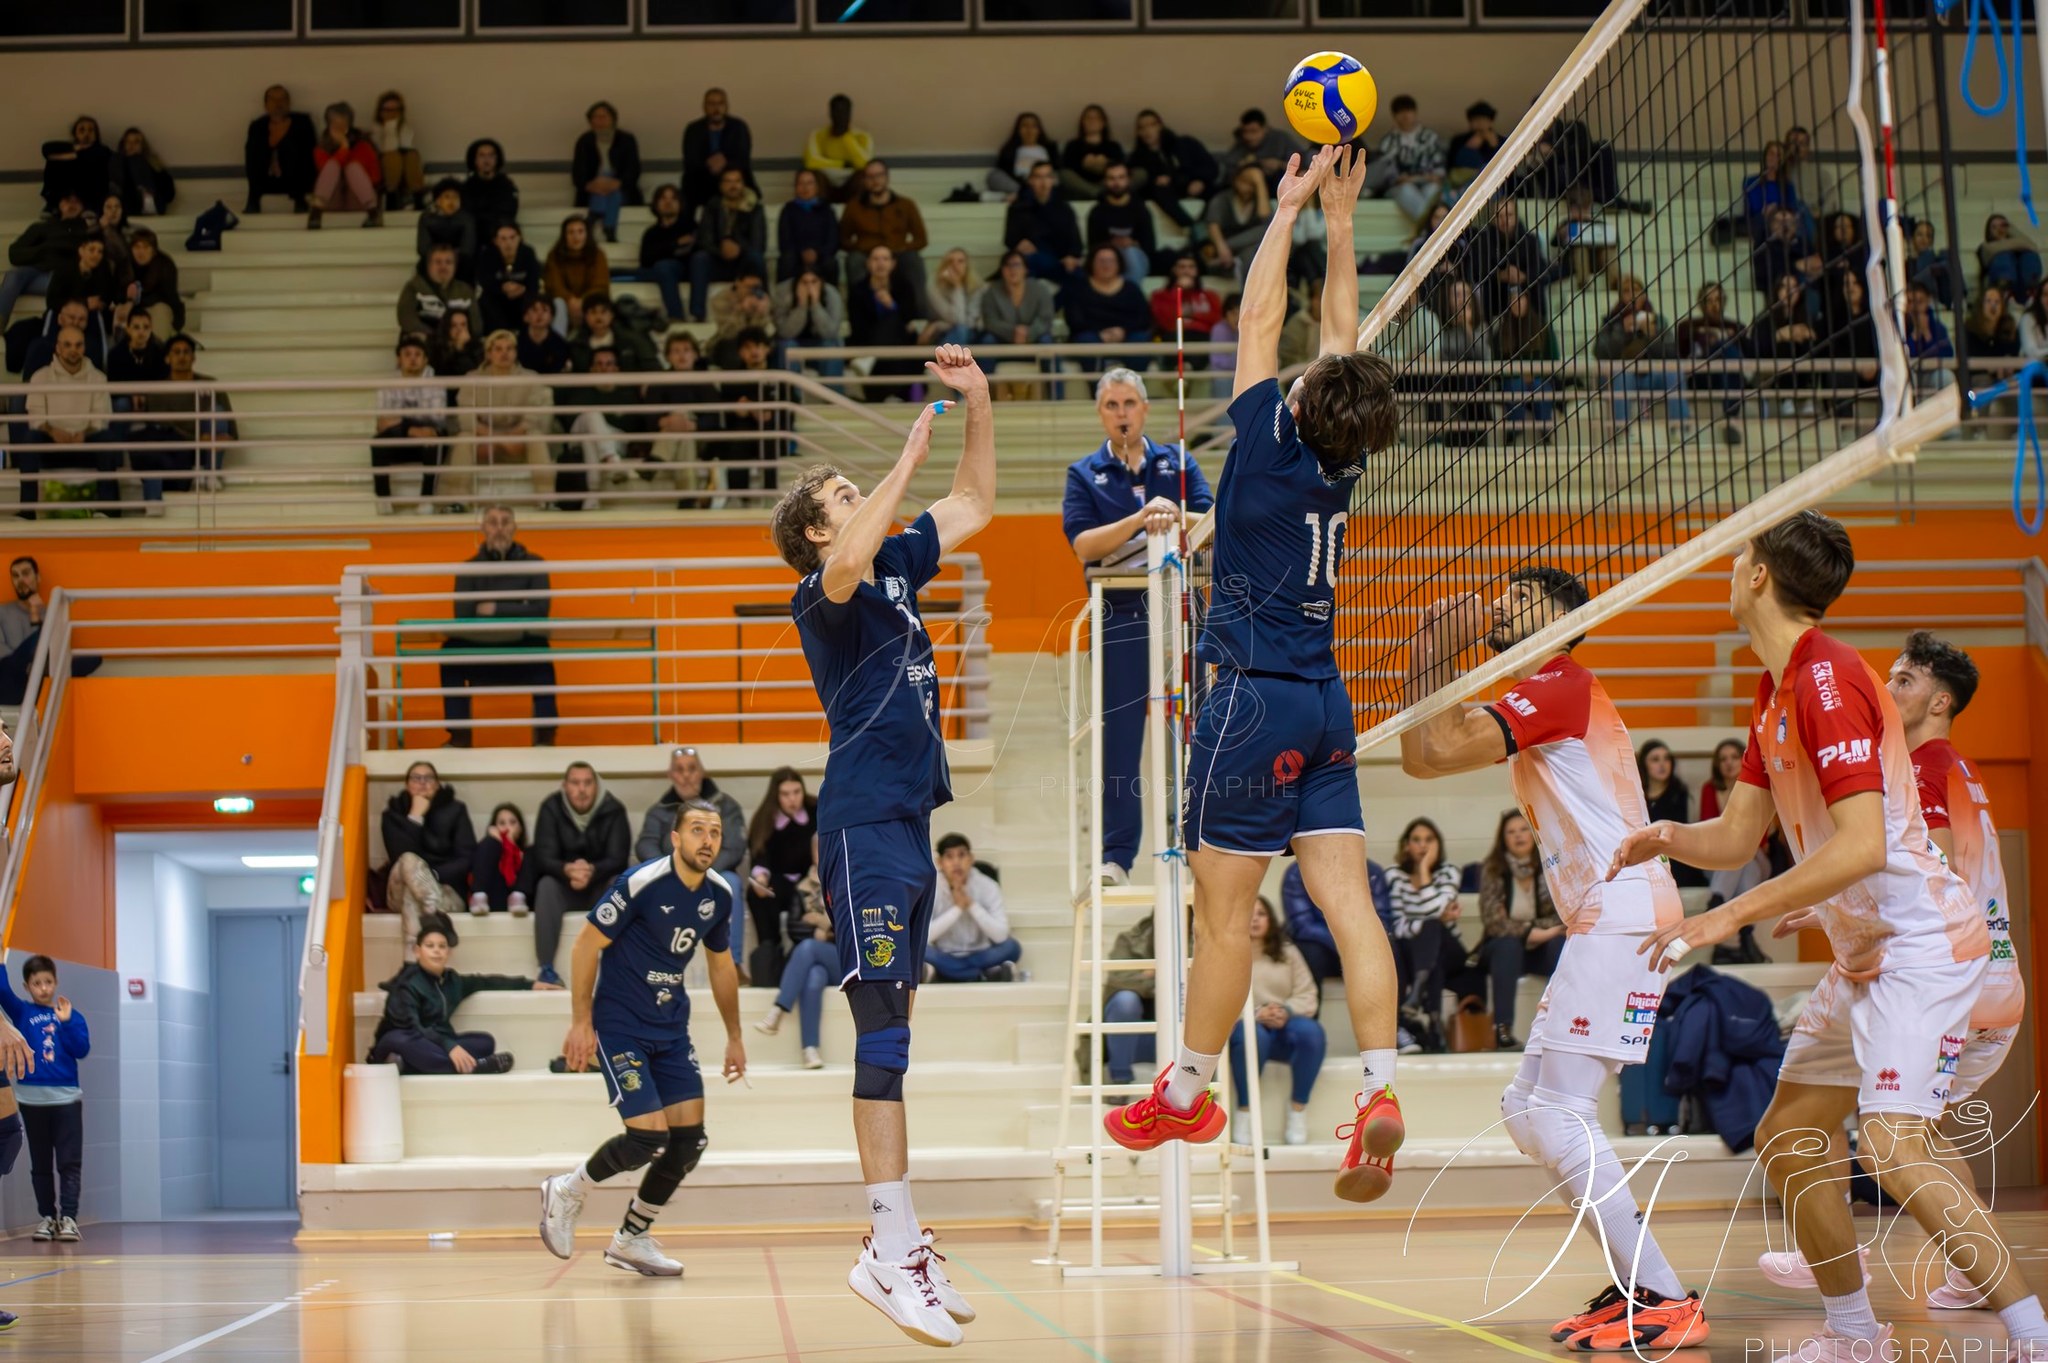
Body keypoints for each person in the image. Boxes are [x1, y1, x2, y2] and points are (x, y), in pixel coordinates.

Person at [1610, 510, 2048, 1362]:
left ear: (1759, 577)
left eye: (1741, 555)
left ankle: (2033, 1334)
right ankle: (1855, 1335)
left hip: (1920, 946)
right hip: (1867, 949)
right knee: (1786, 1134)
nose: (1732, 566)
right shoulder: (1774, 688)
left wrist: (1727, 914)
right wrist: (1667, 834)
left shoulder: (1828, 677)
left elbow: (1863, 844)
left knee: (1890, 1145)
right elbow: (1736, 838)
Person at [1103, 147, 1408, 1209]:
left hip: (1246, 698)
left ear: (1308, 400)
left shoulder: (1272, 437)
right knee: (1347, 906)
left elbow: (1263, 321)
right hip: (1326, 702)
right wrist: (1344, 218)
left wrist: (1285, 213)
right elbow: (1339, 338)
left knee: (1223, 916)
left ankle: (1184, 1089)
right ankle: (1376, 1086)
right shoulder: (1342, 450)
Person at [1401, 566, 1709, 1350]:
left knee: (1561, 1112)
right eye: (1498, 594)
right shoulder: (1535, 695)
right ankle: (1642, 1285)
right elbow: (1421, 756)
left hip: (1626, 912)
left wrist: (1441, 647)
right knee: (1525, 1109)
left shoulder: (1563, 684)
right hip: (1609, 915)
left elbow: (1436, 745)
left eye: (1520, 599)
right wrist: (1426, 649)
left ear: (1569, 620)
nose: (1501, 603)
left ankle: (1666, 1296)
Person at [772, 343, 991, 1347]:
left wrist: (978, 400)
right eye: (846, 494)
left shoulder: (899, 561)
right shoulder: (825, 589)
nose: (867, 500)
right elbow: (855, 553)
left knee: (898, 1040)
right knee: (883, 1040)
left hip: (908, 819)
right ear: (818, 526)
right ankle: (885, 1250)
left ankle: (896, 1241)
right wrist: (899, 463)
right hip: (860, 823)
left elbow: (976, 502)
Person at [1759, 634, 2027, 1308]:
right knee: (1914, 1132)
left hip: (1946, 970)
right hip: (1988, 973)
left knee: (1892, 1136)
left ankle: (2000, 1304)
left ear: (1940, 702)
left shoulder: (1927, 763)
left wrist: (1822, 905)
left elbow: (1926, 865)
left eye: (1904, 680)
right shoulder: (1953, 764)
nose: (1889, 686)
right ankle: (1964, 1272)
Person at [539, 800, 744, 1276]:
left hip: (670, 1026)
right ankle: (568, 1190)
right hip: (621, 1022)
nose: (707, 840)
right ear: (675, 838)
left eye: (714, 831)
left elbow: (720, 965)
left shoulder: (720, 893)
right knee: (646, 1135)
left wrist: (735, 1036)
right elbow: (586, 944)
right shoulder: (640, 883)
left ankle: (632, 1238)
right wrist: (580, 1020)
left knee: (689, 1140)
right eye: (696, 830)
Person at [1061, 367, 1212, 882]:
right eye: (1111, 405)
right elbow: (1084, 545)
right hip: (1120, 611)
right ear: (1101, 413)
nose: (1122, 413)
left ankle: (1194, 842)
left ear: (1145, 409)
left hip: (1180, 607)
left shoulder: (1179, 461)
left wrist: (1173, 512)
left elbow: (1215, 524)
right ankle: (1117, 857)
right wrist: (1141, 518)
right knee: (1120, 739)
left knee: (1191, 732)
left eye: (1129, 403)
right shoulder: (1083, 473)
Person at [369, 914, 555, 1074]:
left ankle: (413, 1066)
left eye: (442, 946)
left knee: (485, 1042)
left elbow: (485, 982)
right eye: (430, 945)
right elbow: (413, 1028)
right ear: (418, 951)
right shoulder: (407, 984)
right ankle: (474, 1068)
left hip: (433, 1045)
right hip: (404, 1040)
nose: (436, 951)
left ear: (448, 953)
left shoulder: (452, 981)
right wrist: (450, 1047)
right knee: (400, 1040)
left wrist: (530, 984)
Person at [440, 505, 555, 746]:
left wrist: (493, 607)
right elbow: (464, 615)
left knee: (542, 650)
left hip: (522, 653)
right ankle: (459, 737)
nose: (499, 528)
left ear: (515, 528)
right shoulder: (468, 569)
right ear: (483, 528)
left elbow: (540, 611)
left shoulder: (536, 563)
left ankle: (545, 739)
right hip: (481, 655)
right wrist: (519, 606)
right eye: (493, 522)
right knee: (449, 652)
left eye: (505, 522)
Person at [0, 955, 89, 1242]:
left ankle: (69, 1219)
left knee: (69, 1161)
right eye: (36, 983)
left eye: (48, 982)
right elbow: (2, 992)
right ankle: (47, 1218)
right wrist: (1, 960)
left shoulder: (69, 1015)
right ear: (27, 986)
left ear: (56, 982)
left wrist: (66, 1023)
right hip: (31, 1100)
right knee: (40, 1163)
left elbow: (81, 1049)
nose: (43, 988)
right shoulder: (23, 1012)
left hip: (66, 1100)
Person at [1224, 897, 1324, 1147]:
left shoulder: (1288, 952)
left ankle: (1298, 1111)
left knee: (1312, 1033)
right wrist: (1254, 1014)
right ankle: (1244, 1112)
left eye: (1261, 914)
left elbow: (1308, 994)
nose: (1255, 919)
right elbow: (1214, 1002)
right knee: (1252, 1034)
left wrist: (1286, 1010)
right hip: (1245, 1028)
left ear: (1271, 919)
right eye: (1249, 913)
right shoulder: (1224, 953)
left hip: (1284, 1025)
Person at [532, 763, 633, 987]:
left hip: (599, 885)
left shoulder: (613, 809)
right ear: (565, 786)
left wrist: (591, 871)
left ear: (596, 786)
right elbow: (542, 856)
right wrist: (566, 870)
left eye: (587, 783)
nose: (582, 789)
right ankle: (546, 968)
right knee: (546, 885)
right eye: (575, 783)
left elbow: (618, 858)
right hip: (563, 886)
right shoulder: (551, 807)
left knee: (618, 884)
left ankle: (617, 967)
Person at [1473, 810, 1562, 1051]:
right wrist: (1527, 933)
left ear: (1533, 834)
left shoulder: (1550, 865)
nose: (1518, 836)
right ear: (1503, 839)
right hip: (1503, 950)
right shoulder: (1492, 870)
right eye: (1511, 832)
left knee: (1561, 946)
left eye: (1523, 830)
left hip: (1542, 947)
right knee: (1507, 946)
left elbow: (1561, 914)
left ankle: (1561, 1027)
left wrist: (1539, 933)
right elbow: (1493, 921)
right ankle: (1503, 1031)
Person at [20, 325, 122, 515]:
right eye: (67, 345)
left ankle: (109, 512)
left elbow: (101, 420)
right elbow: (36, 418)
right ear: (58, 348)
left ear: (84, 347)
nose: (73, 350)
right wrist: (52, 432)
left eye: (78, 345)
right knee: (30, 439)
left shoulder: (98, 378)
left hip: (85, 444)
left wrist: (84, 434)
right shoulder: (40, 377)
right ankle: (26, 512)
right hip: (52, 445)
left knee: (107, 439)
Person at [1383, 817, 1465, 1045]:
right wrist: (1433, 920)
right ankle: (1435, 1026)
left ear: (1438, 843)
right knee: (1431, 955)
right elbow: (1397, 926)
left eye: (1429, 840)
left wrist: (1424, 870)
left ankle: (1418, 992)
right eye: (1416, 840)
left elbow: (1434, 908)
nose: (1423, 846)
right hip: (1416, 954)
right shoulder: (1394, 876)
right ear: (1406, 845)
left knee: (1433, 929)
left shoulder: (1449, 872)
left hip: (1452, 950)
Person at [378, 761, 475, 944]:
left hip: (446, 891)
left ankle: (412, 964)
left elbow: (467, 857)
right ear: (407, 785)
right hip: (399, 886)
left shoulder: (455, 810)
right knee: (407, 860)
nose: (422, 782)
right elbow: (399, 855)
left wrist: (432, 876)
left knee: (412, 897)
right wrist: (415, 817)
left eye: (428, 778)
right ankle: (434, 913)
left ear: (437, 784)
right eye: (416, 778)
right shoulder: (392, 815)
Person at [453, 332, 551, 505]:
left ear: (515, 352)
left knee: (536, 436)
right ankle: (458, 501)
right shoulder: (472, 379)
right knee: (464, 438)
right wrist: (499, 439)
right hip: (484, 445)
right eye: (498, 349)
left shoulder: (531, 379)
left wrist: (510, 439)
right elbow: (466, 419)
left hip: (518, 445)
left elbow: (535, 417)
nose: (504, 353)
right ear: (488, 354)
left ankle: (546, 499)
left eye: (509, 349)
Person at [742, 767, 818, 985]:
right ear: (776, 795)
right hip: (780, 882)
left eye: (796, 792)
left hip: (812, 881)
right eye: (786, 794)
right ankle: (770, 949)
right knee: (757, 894)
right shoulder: (764, 820)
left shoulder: (816, 810)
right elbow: (760, 856)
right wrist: (761, 879)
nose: (792, 799)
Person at [754, 862, 832, 1070]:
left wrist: (817, 921)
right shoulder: (802, 888)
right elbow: (794, 926)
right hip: (817, 958)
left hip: (844, 957)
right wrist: (819, 929)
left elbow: (847, 923)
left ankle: (778, 1010)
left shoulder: (843, 881)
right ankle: (810, 1049)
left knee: (807, 948)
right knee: (814, 977)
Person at [633, 745, 748, 884]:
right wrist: (669, 871)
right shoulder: (658, 811)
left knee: (732, 882)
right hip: (668, 876)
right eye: (679, 770)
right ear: (670, 775)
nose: (686, 776)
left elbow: (733, 849)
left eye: (692, 769)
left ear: (702, 773)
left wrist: (701, 872)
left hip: (714, 875)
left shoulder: (727, 807)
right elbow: (646, 845)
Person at [925, 833, 1020, 983]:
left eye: (961, 855)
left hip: (981, 954)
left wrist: (970, 905)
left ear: (971, 859)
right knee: (916, 950)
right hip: (944, 954)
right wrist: (957, 909)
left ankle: (945, 974)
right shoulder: (930, 888)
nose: (956, 862)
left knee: (1012, 947)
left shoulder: (988, 886)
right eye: (949, 857)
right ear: (940, 862)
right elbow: (924, 936)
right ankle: (983, 974)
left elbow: (1001, 935)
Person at [373, 334, 451, 514]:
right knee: (378, 442)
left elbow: (437, 419)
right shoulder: (387, 384)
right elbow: (383, 423)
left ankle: (427, 499)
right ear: (399, 359)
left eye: (417, 354)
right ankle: (383, 499)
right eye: (407, 354)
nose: (413, 359)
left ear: (425, 360)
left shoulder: (436, 384)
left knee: (435, 439)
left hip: (423, 440)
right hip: (402, 438)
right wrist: (412, 427)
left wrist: (401, 422)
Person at [838, 161, 929, 302]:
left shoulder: (906, 204)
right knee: (854, 260)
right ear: (864, 180)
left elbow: (921, 239)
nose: (875, 180)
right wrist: (862, 248)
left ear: (887, 177)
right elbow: (843, 238)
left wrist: (902, 248)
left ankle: (917, 316)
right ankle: (859, 313)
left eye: (879, 175)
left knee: (913, 260)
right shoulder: (853, 207)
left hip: (897, 252)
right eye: (870, 176)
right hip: (867, 254)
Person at [847, 247, 924, 403]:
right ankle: (901, 395)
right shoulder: (858, 290)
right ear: (868, 264)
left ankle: (874, 375)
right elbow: (857, 325)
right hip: (867, 340)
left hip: (900, 342)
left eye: (885, 259)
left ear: (893, 264)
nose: (880, 263)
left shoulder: (904, 286)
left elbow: (911, 318)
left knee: (894, 324)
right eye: (875, 259)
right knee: (890, 330)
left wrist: (892, 306)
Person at [691, 168, 768, 324]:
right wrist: (721, 250)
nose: (733, 185)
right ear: (721, 186)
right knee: (699, 258)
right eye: (728, 181)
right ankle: (698, 314)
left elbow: (758, 243)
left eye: (737, 181)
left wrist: (737, 248)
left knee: (756, 258)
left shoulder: (755, 208)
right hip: (719, 260)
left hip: (743, 263)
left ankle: (762, 309)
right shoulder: (712, 207)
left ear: (743, 184)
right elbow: (704, 240)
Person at [2, 192, 90, 328]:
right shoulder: (41, 227)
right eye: (67, 201)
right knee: (13, 276)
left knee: (17, 283)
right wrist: (43, 251)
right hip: (34, 274)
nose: (71, 205)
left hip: (61, 279)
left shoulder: (86, 231)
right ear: (60, 204)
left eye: (76, 202)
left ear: (83, 207)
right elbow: (14, 254)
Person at [1063, 246, 1152, 374]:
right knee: (1087, 340)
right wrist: (1101, 333)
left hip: (1127, 335)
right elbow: (1074, 320)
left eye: (1111, 261)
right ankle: (1097, 391)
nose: (1106, 265)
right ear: (1092, 263)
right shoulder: (1078, 288)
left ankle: (1133, 389)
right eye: (1101, 261)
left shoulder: (1131, 288)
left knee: (1140, 339)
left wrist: (1122, 331)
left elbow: (1143, 318)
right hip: (1093, 336)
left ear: (1119, 264)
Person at [1128, 108, 1217, 231]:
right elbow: (1141, 184)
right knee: (1158, 190)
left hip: (1193, 183)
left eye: (1151, 125)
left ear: (1160, 126)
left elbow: (1211, 167)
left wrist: (1200, 180)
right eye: (1141, 127)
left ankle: (1209, 226)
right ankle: (1192, 227)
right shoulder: (1137, 158)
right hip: (1167, 192)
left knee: (1218, 190)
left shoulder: (1185, 144)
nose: (1147, 131)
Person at [571, 101, 641, 243]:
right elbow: (578, 173)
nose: (600, 120)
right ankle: (609, 228)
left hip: (621, 187)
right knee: (607, 190)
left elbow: (633, 169)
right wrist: (591, 185)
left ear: (613, 119)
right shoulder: (584, 141)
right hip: (593, 188)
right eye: (596, 117)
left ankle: (594, 217)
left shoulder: (626, 140)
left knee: (614, 191)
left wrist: (617, 183)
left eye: (604, 116)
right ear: (590, 121)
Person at [1004, 162, 1085, 284]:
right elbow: (1009, 239)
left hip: (1059, 259)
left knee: (1079, 275)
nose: (1043, 182)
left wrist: (1071, 256)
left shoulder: (1064, 208)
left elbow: (1075, 241)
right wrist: (1018, 243)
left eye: (1047, 176)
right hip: (1030, 258)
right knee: (1023, 263)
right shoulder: (1018, 208)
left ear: (1053, 180)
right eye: (1038, 177)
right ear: (1030, 180)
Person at [308, 102, 383, 230]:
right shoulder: (321, 148)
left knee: (352, 167)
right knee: (332, 166)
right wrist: (343, 148)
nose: (339, 128)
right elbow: (324, 173)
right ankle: (315, 214)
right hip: (331, 200)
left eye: (343, 124)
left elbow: (376, 178)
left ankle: (374, 214)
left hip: (359, 200)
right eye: (335, 124)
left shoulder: (363, 145)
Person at [1373, 95, 1446, 223]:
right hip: (1400, 188)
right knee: (1406, 190)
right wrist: (1401, 179)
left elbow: (1439, 171)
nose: (1405, 115)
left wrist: (1417, 178)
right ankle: (1431, 228)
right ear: (1394, 116)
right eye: (1400, 112)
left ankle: (1427, 230)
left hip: (1427, 183)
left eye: (1409, 111)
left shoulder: (1429, 137)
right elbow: (1386, 174)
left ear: (1415, 113)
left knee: (1432, 189)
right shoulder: (1389, 141)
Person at [244, 85, 316, 213]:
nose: (278, 104)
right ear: (265, 104)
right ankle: (253, 199)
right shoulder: (257, 126)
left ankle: (300, 200)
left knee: (292, 147)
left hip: (296, 180)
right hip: (267, 179)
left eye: (283, 99)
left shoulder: (302, 122)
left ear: (289, 103)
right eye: (273, 100)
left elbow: (310, 155)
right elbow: (252, 158)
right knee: (253, 148)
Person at [682, 88, 755, 212]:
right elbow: (690, 161)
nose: (716, 108)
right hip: (701, 183)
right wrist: (709, 163)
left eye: (721, 103)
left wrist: (725, 163)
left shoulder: (738, 127)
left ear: (727, 106)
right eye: (711, 104)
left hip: (734, 183)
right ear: (704, 107)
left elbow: (743, 158)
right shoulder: (693, 129)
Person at [1085, 163, 1158, 285]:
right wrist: (1112, 245)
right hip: (1109, 258)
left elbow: (1150, 245)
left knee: (1130, 253)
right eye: (1112, 178)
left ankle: (1129, 295)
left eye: (1121, 178)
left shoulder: (1140, 209)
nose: (1116, 183)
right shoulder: (1097, 212)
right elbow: (1093, 247)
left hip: (1137, 258)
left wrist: (1132, 243)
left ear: (1128, 180)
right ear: (1105, 181)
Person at [1201, 164, 1273, 281]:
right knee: (1264, 233)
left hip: (1248, 248)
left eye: (1252, 183)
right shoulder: (1222, 199)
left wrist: (1259, 182)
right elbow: (1213, 225)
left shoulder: (1258, 201)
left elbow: (1265, 217)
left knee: (1263, 237)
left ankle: (1247, 296)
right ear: (1236, 179)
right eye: (1245, 180)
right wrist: (1221, 247)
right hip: (1222, 248)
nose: (1247, 186)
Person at [640, 184, 697, 323]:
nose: (668, 202)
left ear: (680, 203)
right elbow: (646, 259)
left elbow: (691, 254)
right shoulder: (651, 233)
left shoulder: (690, 226)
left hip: (686, 271)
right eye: (663, 198)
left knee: (664, 266)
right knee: (659, 267)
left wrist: (662, 251)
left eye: (673, 198)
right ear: (656, 204)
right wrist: (675, 245)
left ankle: (676, 316)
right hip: (660, 270)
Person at [544, 216, 609, 337]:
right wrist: (570, 300)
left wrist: (582, 301)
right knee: (558, 303)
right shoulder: (554, 255)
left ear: (587, 234)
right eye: (571, 232)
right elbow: (554, 284)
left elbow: (600, 284)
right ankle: (560, 344)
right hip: (564, 302)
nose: (576, 237)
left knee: (597, 305)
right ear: (564, 236)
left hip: (590, 300)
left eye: (580, 231)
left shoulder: (598, 255)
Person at [803, 94, 873, 202]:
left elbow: (867, 164)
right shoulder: (817, 135)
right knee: (814, 175)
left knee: (862, 176)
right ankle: (819, 214)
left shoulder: (862, 136)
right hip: (826, 184)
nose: (840, 116)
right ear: (830, 113)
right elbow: (811, 162)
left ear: (850, 114)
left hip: (851, 184)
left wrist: (846, 138)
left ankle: (855, 213)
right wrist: (842, 164)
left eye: (844, 112)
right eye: (836, 111)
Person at [398, 244, 478, 336]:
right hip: (426, 342)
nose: (443, 266)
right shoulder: (414, 287)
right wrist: (436, 338)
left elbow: (476, 325)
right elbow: (407, 320)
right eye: (438, 262)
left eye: (448, 262)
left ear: (455, 267)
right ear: (429, 265)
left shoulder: (465, 291)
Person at [469, 802, 535, 915]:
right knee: (489, 843)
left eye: (512, 822)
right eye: (502, 823)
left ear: (520, 827)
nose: (507, 827)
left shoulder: (528, 854)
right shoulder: (487, 848)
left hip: (522, 904)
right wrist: (499, 842)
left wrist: (511, 845)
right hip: (493, 901)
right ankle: (479, 897)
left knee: (534, 851)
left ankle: (518, 898)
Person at [477, 222, 542, 334]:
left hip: (521, 298)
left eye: (512, 237)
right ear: (496, 241)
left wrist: (522, 289)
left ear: (519, 238)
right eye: (503, 239)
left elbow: (534, 282)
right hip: (497, 300)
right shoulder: (487, 255)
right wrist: (502, 288)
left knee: (533, 300)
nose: (508, 243)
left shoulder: (528, 253)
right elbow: (484, 281)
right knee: (485, 300)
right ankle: (500, 335)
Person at [777, 169, 838, 288]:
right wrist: (802, 252)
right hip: (796, 255)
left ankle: (830, 300)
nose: (805, 187)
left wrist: (817, 253)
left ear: (817, 187)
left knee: (830, 263)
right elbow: (784, 240)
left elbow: (833, 239)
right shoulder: (788, 210)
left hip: (821, 255)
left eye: (809, 183)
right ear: (795, 187)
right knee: (786, 261)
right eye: (801, 183)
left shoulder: (826, 209)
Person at [1217, 108, 1302, 191]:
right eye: (1245, 132)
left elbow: (1303, 164)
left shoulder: (1281, 139)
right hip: (1252, 188)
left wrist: (1279, 164)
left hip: (1281, 183)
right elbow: (1229, 166)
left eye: (1254, 131)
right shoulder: (1242, 143)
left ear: (1265, 129)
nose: (1249, 137)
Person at [420, 180, 481, 288]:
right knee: (423, 264)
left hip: (460, 261)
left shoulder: (467, 218)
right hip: (435, 258)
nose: (451, 201)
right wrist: (441, 258)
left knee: (468, 264)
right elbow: (423, 248)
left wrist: (449, 258)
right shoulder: (427, 218)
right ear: (438, 201)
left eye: (455, 197)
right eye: (447, 197)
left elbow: (468, 249)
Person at [372, 91, 426, 212]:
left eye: (396, 110)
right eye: (388, 110)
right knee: (393, 157)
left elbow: (406, 146)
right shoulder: (376, 129)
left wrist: (396, 127)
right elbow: (387, 148)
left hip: (404, 165)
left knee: (412, 155)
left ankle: (417, 197)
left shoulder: (406, 128)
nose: (392, 114)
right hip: (384, 165)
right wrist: (390, 126)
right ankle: (391, 198)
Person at [126, 227, 183, 337]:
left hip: (158, 306)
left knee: (160, 310)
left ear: (153, 250)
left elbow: (167, 297)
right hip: (133, 307)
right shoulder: (126, 264)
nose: (141, 252)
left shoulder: (164, 265)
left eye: (146, 247)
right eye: (137, 247)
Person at [1443, 101, 1502, 206]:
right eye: (1476, 120)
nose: (1480, 123)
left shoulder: (1501, 141)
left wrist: (1494, 146)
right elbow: (1451, 165)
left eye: (1484, 119)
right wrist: (1468, 149)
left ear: (1491, 121)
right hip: (1462, 183)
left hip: (1491, 186)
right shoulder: (1459, 140)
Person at [1060, 105, 1124, 202]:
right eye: (1088, 118)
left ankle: (1099, 192)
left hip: (1107, 184)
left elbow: (1121, 167)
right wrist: (1085, 163)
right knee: (1063, 174)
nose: (1092, 121)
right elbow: (1067, 169)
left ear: (1103, 123)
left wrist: (1105, 163)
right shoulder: (1073, 145)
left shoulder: (1113, 146)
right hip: (1082, 186)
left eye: (1096, 118)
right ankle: (1097, 194)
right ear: (1082, 122)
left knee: (1139, 174)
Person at [109, 127, 176, 219]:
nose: (131, 145)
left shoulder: (152, 163)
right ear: (123, 144)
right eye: (128, 141)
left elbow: (169, 193)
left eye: (136, 142)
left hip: (152, 210)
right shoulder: (116, 162)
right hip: (126, 210)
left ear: (142, 145)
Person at [462, 138, 520, 243]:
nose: (487, 160)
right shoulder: (466, 187)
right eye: (482, 155)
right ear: (474, 160)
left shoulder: (506, 185)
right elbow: (467, 215)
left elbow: (508, 214)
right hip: (474, 240)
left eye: (491, 155)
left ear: (497, 159)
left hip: (499, 239)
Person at [989, 112, 1058, 197]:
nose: (1029, 130)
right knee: (994, 175)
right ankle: (1025, 193)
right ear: (1018, 130)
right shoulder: (1009, 150)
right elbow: (1004, 173)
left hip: (1044, 183)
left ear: (1039, 130)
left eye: (1034, 126)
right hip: (1019, 184)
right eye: (1025, 126)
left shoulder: (1049, 148)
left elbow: (1056, 170)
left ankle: (1029, 194)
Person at [1980, 213, 2043, 302]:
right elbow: (2029, 244)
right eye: (1994, 227)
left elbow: (2033, 247)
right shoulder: (1986, 247)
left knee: (2029, 255)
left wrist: (2011, 228)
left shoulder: (2019, 251)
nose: (1999, 229)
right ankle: (2004, 291)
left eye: (2002, 226)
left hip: (2021, 289)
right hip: (1996, 288)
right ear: (1988, 232)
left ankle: (2031, 290)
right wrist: (2021, 243)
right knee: (2004, 256)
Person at [430, 308, 484, 380]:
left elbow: (471, 371)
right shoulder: (436, 347)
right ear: (447, 327)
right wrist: (459, 347)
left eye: (463, 325)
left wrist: (461, 348)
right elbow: (444, 375)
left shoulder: (477, 347)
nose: (459, 329)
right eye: (454, 325)